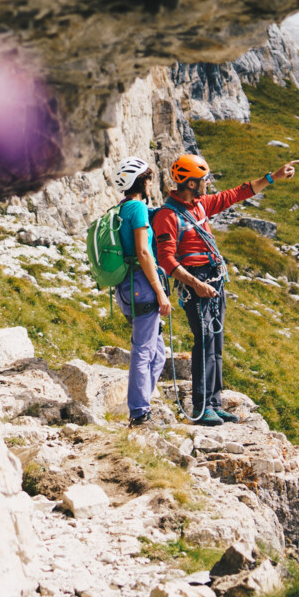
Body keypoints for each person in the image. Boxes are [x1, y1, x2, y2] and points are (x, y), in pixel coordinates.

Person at [153, 153, 297, 426]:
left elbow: (237, 194)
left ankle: (215, 403)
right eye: (204, 179)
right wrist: (196, 285)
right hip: (195, 281)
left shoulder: (200, 206)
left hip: (214, 279)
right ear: (192, 183)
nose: (208, 183)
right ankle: (201, 407)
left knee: (215, 343)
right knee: (204, 341)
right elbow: (166, 259)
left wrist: (273, 177)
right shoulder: (167, 215)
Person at [108, 156, 173, 426]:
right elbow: (144, 252)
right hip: (142, 287)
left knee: (158, 353)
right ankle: (138, 413)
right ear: (140, 181)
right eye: (148, 179)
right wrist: (160, 291)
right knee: (143, 351)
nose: (151, 184)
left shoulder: (119, 209)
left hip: (125, 288)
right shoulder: (137, 209)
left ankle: (141, 403)